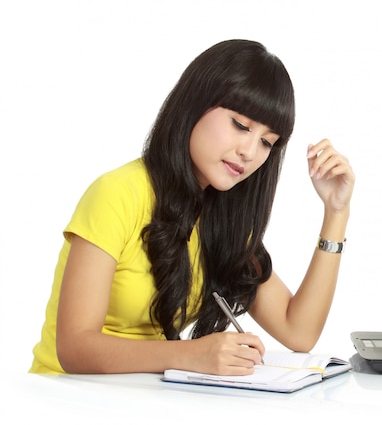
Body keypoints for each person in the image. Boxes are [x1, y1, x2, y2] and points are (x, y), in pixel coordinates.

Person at [29, 39, 355, 376]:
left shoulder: (223, 218)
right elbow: (74, 348)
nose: (249, 151)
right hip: (64, 399)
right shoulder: (116, 193)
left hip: (141, 400)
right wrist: (190, 354)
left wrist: (336, 212)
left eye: (266, 142)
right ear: (195, 105)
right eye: (240, 125)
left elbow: (298, 331)